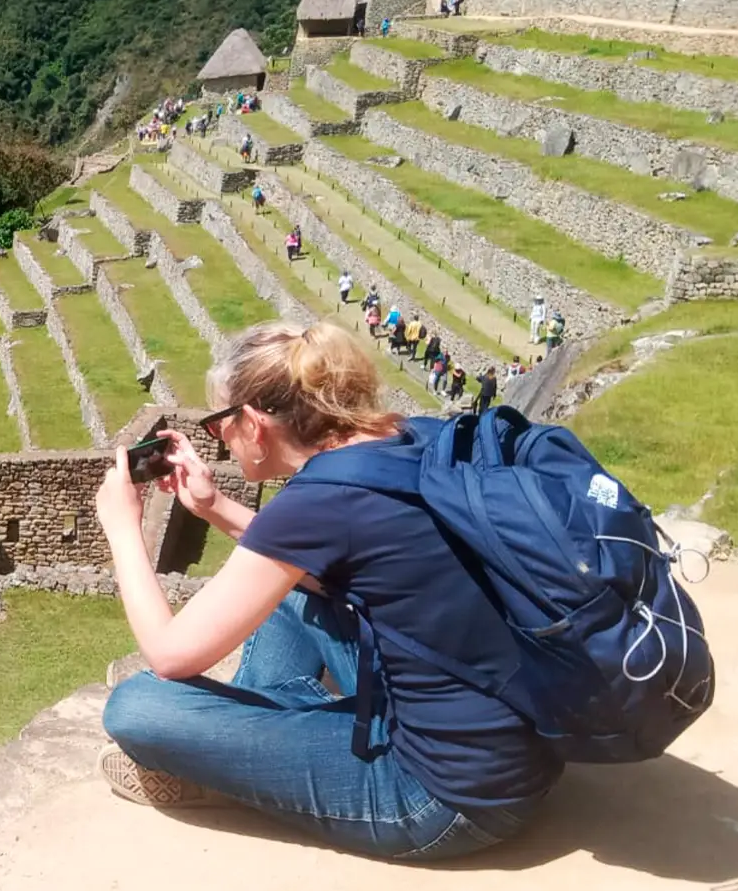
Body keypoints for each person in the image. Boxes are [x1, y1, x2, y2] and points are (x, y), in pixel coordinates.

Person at [94, 320, 558, 860]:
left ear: (254, 423)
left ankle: (228, 755)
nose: (218, 439)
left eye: (220, 423)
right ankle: (248, 738)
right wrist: (213, 507)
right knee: (290, 595)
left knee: (138, 706)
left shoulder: (320, 500)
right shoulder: (409, 437)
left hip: (442, 797)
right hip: (521, 744)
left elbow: (170, 655)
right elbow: (319, 563)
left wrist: (122, 526)